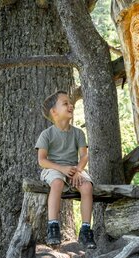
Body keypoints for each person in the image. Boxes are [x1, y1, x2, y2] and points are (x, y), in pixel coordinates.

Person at [36, 90, 96, 249]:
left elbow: (84, 156)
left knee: (87, 186)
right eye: (65, 103)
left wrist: (78, 170)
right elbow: (42, 160)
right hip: (54, 168)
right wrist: (61, 168)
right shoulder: (46, 134)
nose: (71, 106)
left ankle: (85, 230)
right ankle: (53, 226)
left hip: (73, 169)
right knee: (57, 183)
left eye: (71, 103)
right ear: (54, 112)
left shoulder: (78, 133)